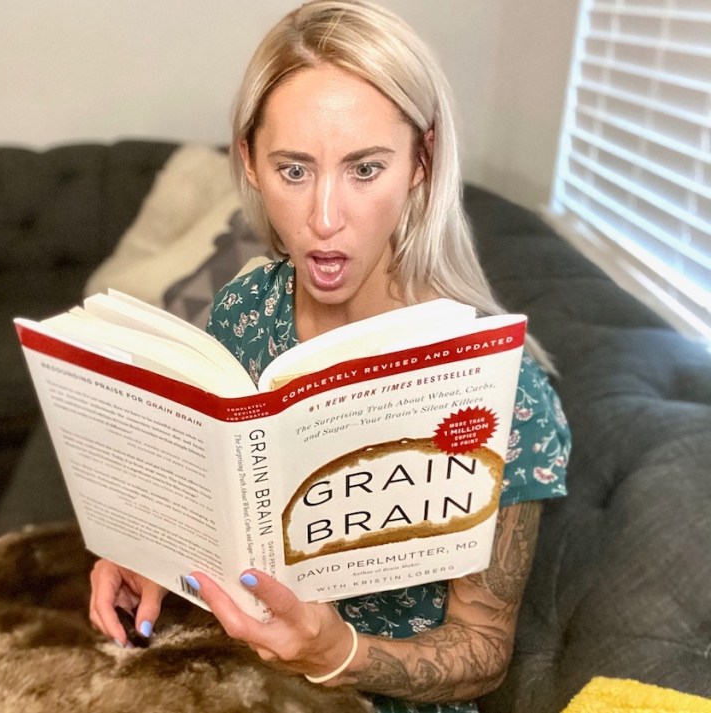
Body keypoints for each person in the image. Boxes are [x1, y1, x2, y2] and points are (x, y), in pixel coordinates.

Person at [88, 2, 570, 711]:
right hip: (225, 660)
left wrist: (334, 650)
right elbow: (209, 509)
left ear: (421, 162)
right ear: (249, 161)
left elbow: (483, 649)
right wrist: (146, 554)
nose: (323, 218)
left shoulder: (505, 388)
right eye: (294, 170)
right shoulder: (246, 307)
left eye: (365, 169)